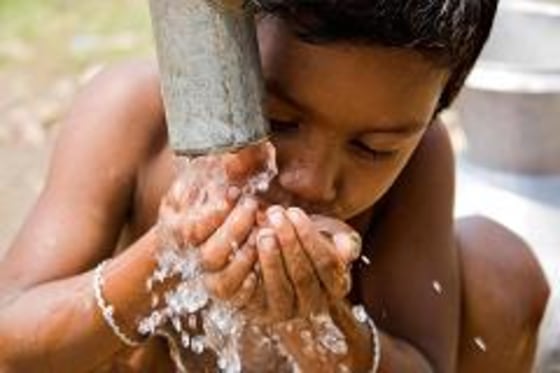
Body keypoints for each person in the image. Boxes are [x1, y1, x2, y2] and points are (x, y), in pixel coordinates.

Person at [0, 1, 549, 372]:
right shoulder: (136, 113)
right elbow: (9, 334)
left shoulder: (422, 158)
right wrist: (162, 267)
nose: (311, 180)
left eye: (373, 148)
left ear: (436, 107)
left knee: (500, 272)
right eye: (279, 119)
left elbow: (428, 362)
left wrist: (319, 328)